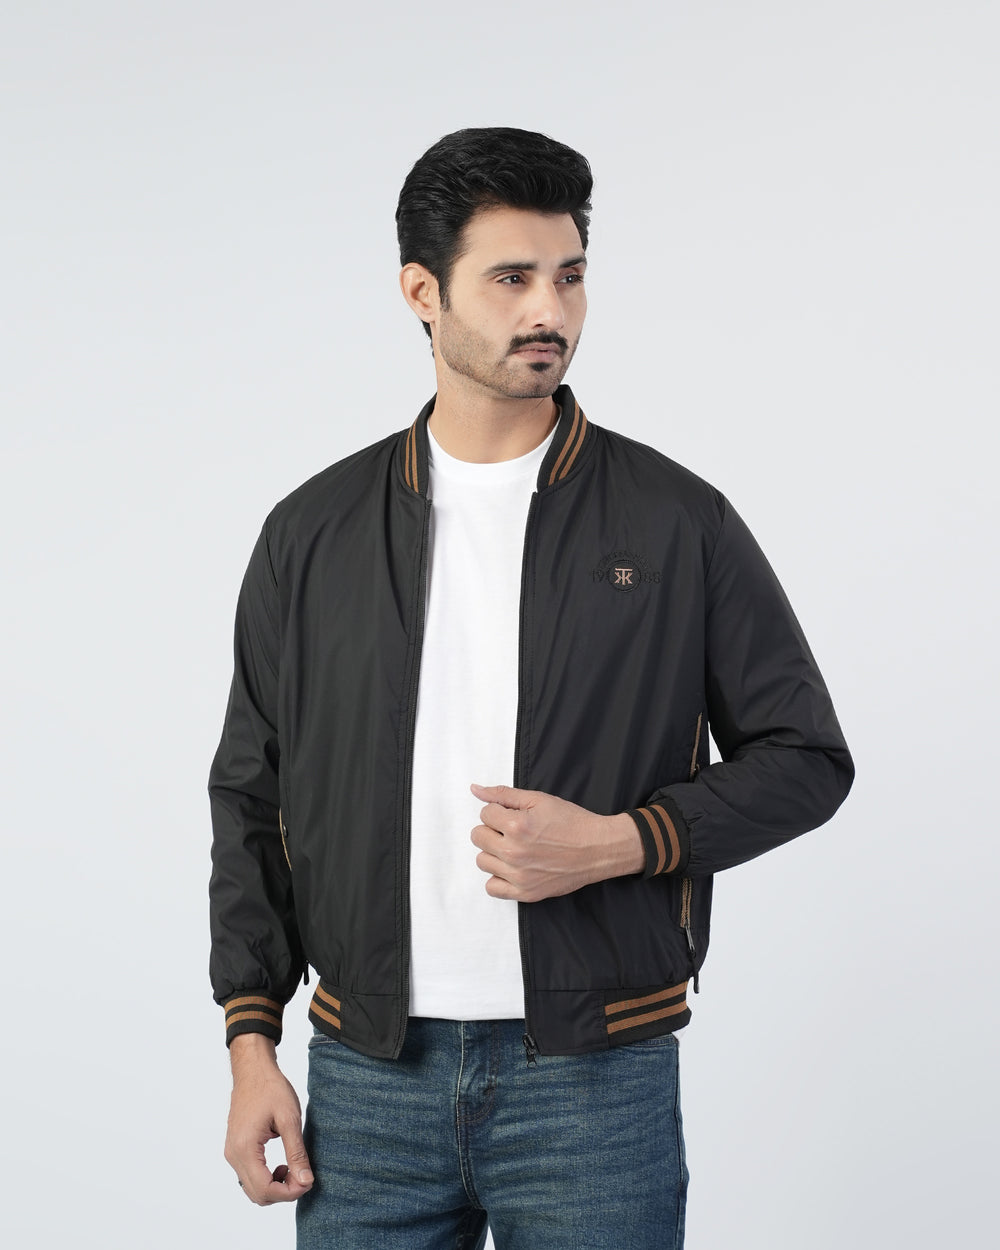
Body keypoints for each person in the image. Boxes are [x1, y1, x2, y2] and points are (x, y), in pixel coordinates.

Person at [209, 126, 853, 1249]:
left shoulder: (675, 520)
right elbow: (252, 798)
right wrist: (249, 1040)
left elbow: (806, 758)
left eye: (569, 274)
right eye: (510, 278)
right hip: (366, 1080)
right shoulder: (312, 534)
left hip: (594, 1080)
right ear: (423, 292)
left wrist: (622, 842)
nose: (549, 308)